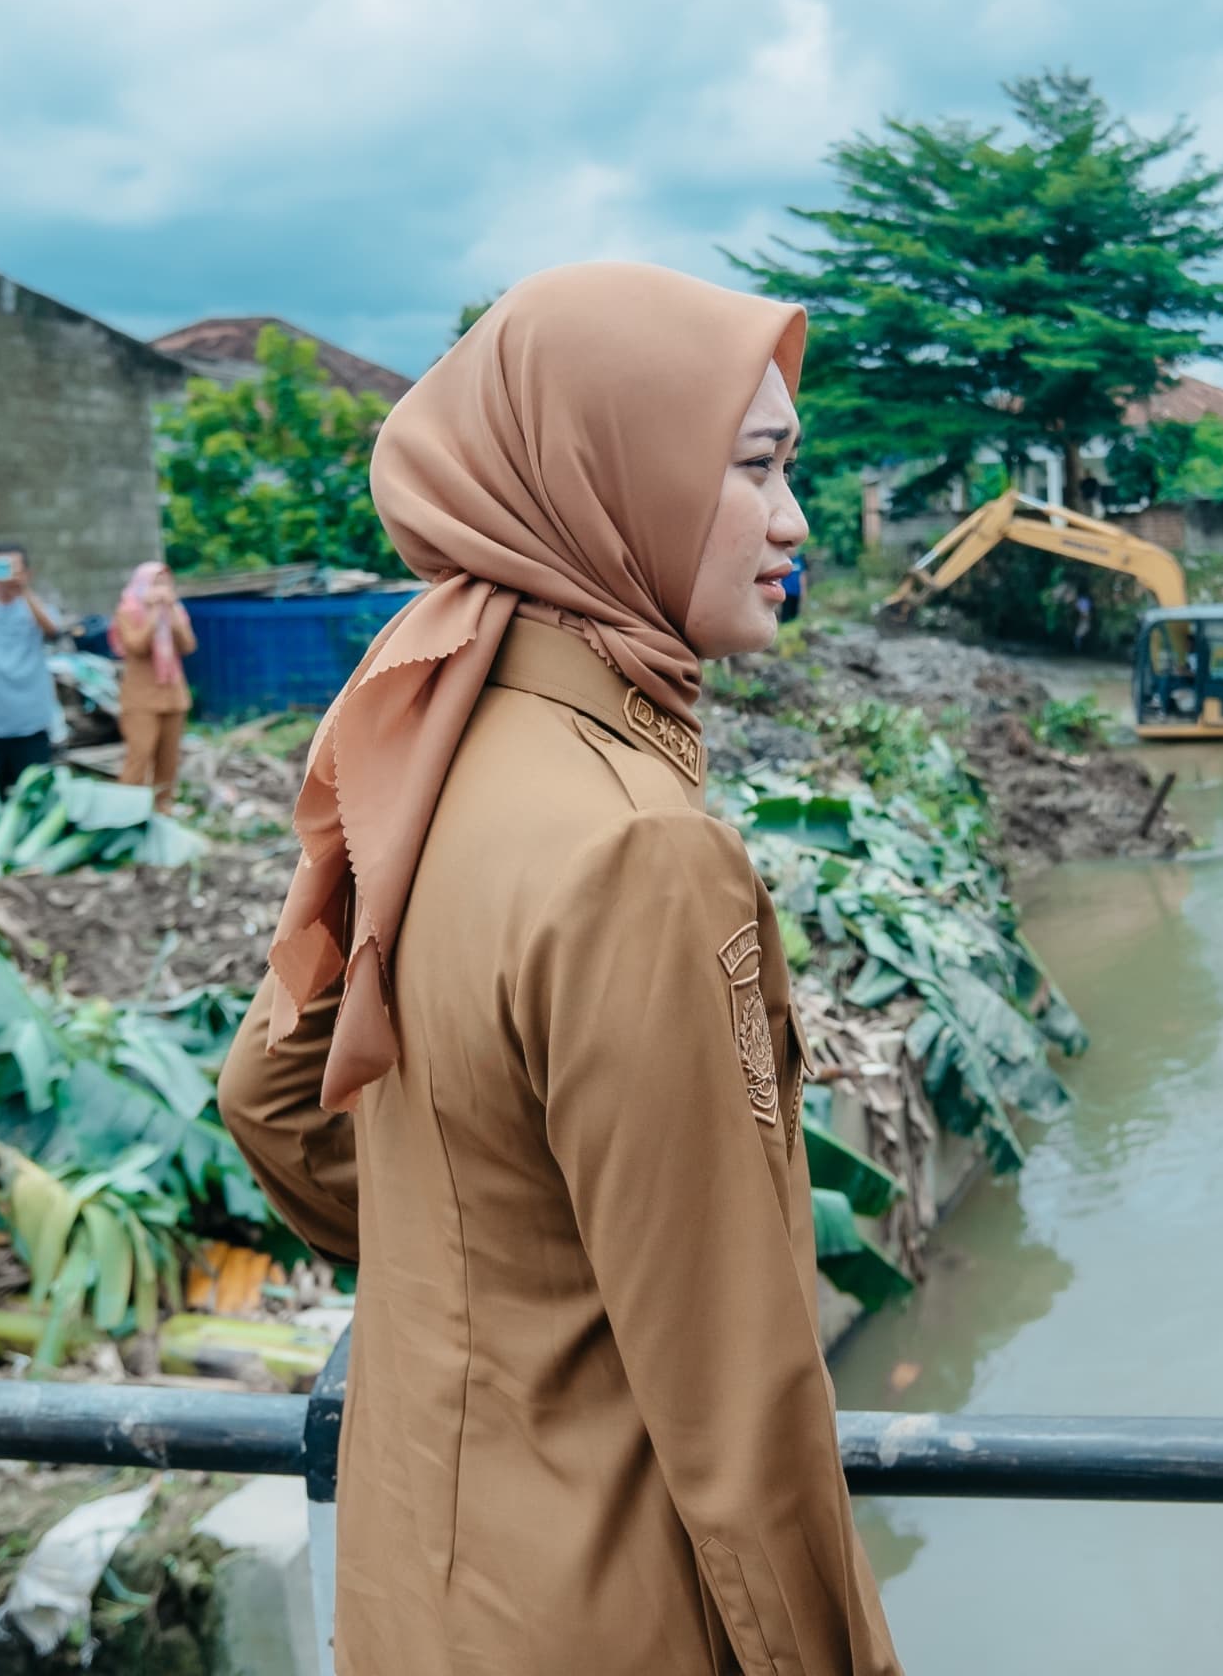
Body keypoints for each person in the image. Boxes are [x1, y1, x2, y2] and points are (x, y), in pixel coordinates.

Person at [218, 263, 901, 1676]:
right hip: (609, 1619)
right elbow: (740, 1409)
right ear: (614, 477)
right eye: (756, 467)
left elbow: (273, 1095)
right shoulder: (643, 854)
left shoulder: (426, 732)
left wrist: (497, 1299)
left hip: (421, 1593)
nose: (795, 521)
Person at [0, 545, 62, 803]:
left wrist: (24, 591)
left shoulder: (37, 611)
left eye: (11, 568)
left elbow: (54, 632)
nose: (5, 576)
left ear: (26, 573)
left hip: (31, 723)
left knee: (31, 799)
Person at [113, 563, 195, 812]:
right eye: (155, 583)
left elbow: (188, 646)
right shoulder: (127, 611)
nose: (161, 590)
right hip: (141, 697)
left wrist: (169, 613)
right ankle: (126, 811)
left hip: (173, 694)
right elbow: (136, 646)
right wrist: (152, 615)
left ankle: (162, 808)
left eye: (165, 583)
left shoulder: (176, 612)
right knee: (140, 753)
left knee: (168, 758)